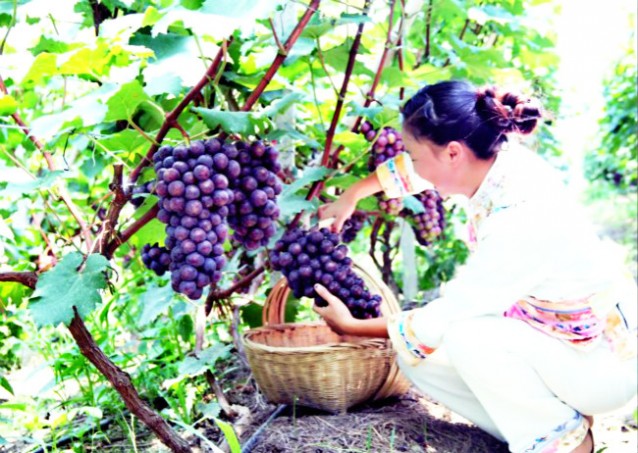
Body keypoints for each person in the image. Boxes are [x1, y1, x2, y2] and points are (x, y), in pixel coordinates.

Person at [313, 80, 637, 453]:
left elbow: (449, 315)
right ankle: (559, 425)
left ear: (452, 153)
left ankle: (566, 443)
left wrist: (351, 326)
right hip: (558, 342)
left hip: (604, 368)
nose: (415, 165)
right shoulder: (490, 156)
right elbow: (415, 167)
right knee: (418, 361)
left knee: (467, 338)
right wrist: (352, 195)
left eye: (416, 155)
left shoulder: (522, 217)